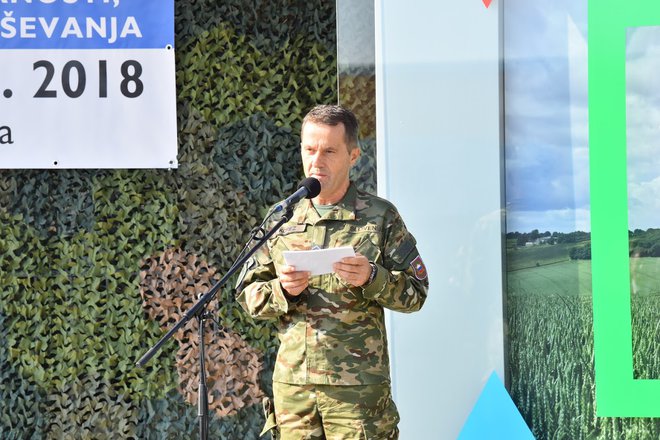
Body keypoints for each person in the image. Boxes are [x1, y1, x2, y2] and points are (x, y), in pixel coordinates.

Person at [236, 104, 428, 439]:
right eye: (309, 150)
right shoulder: (282, 218)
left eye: (329, 151)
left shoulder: (380, 218)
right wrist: (283, 290)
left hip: (356, 395)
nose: (317, 161)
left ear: (353, 156)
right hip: (294, 392)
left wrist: (373, 277)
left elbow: (416, 293)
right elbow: (248, 295)